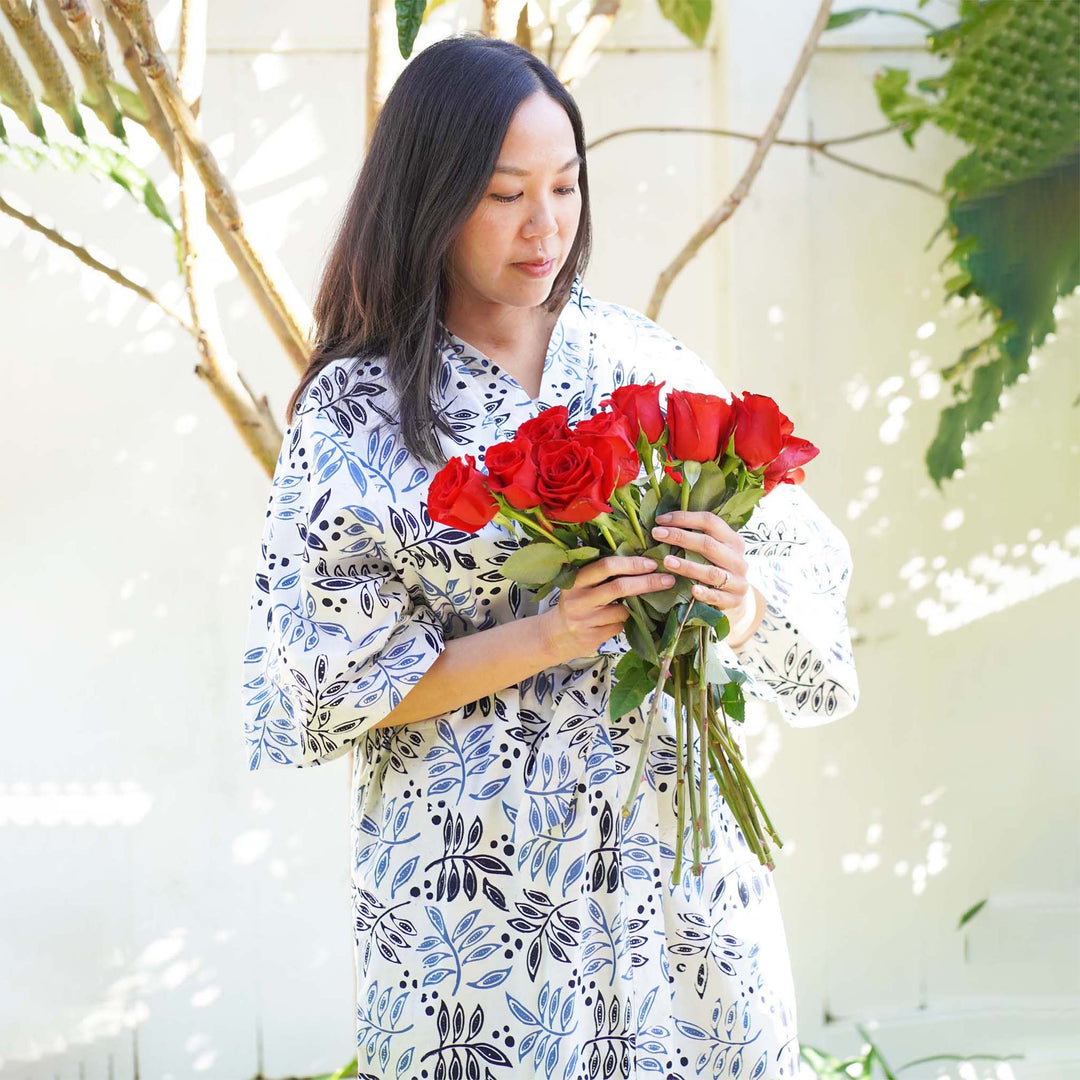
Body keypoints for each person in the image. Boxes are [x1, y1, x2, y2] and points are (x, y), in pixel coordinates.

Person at [240, 32, 859, 1080]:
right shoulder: (357, 412)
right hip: (476, 899)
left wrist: (736, 597)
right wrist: (550, 632)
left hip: (675, 871)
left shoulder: (638, 362)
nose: (546, 226)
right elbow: (319, 692)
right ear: (432, 198)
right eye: (504, 194)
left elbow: (801, 561)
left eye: (566, 186)